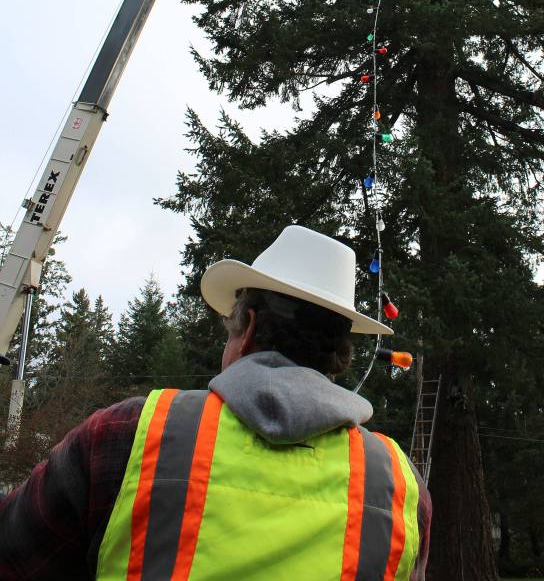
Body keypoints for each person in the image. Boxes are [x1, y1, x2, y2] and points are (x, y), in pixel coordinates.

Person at [0, 225, 431, 579]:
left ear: (247, 330)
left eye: (229, 331)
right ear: (341, 355)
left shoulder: (129, 435)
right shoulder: (399, 485)